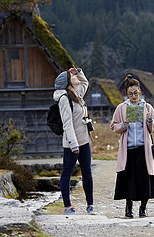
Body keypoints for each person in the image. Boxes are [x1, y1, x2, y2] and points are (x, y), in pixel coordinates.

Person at [110, 74, 154, 218]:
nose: (134, 96)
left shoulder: (147, 107)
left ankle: (143, 209)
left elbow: (153, 129)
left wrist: (149, 120)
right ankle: (128, 208)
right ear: (126, 94)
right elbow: (113, 126)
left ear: (140, 91)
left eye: (136, 93)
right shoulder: (121, 108)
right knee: (128, 180)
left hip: (143, 150)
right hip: (128, 149)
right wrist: (123, 125)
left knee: (145, 181)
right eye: (130, 94)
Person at [53, 65, 95, 215]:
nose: (75, 77)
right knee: (67, 173)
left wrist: (78, 72)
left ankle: (90, 204)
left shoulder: (77, 94)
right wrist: (73, 144)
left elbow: (85, 83)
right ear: (68, 82)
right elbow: (67, 124)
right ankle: (67, 206)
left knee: (87, 172)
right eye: (72, 76)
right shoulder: (64, 99)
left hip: (84, 140)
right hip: (72, 143)